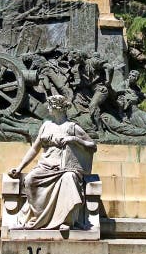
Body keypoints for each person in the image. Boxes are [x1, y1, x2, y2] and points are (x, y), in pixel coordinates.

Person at [7, 95, 97, 230]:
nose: (48, 107)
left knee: (69, 178)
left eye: (50, 105)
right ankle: (37, 217)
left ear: (58, 108)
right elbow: (34, 149)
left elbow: (92, 146)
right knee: (30, 179)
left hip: (65, 168)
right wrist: (19, 168)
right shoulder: (46, 126)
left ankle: (66, 220)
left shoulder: (72, 127)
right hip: (45, 167)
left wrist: (74, 139)